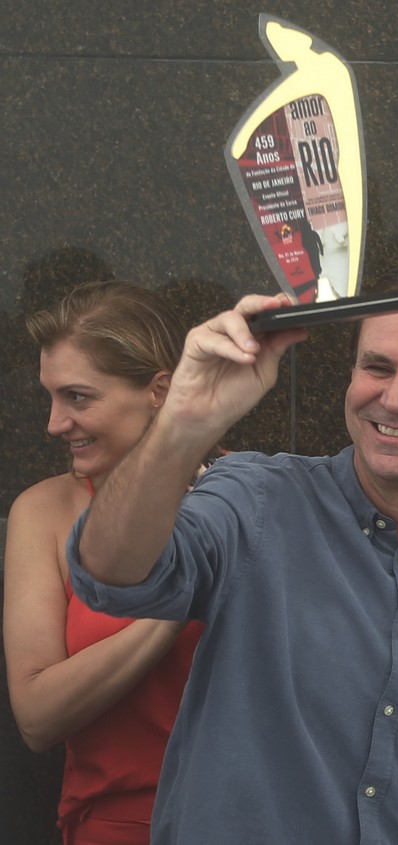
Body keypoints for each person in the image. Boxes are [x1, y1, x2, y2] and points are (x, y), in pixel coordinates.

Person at [66, 261, 398, 844]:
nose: (397, 398)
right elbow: (113, 576)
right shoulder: (254, 499)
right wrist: (181, 425)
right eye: (377, 366)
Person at [3, 281, 204, 845]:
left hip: (248, 819)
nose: (53, 422)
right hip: (115, 825)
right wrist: (176, 602)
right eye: (50, 397)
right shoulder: (44, 513)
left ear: (159, 390)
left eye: (78, 397)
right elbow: (37, 716)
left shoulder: (241, 495)